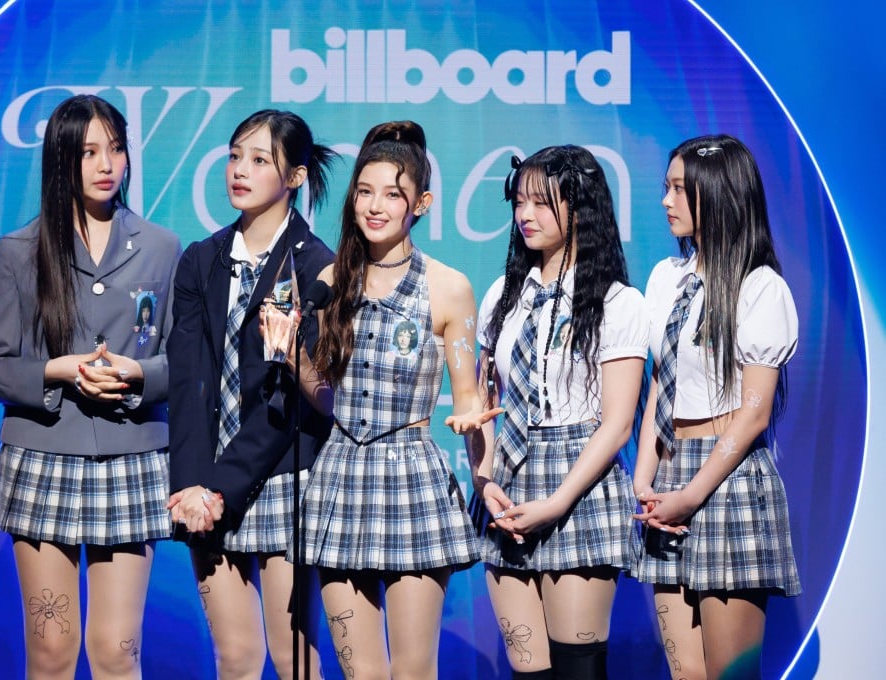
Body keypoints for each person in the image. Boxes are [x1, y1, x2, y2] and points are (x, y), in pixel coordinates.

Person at [0, 94, 181, 679]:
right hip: (42, 460)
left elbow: (185, 366)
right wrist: (57, 371)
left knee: (117, 651)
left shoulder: (163, 248)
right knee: (52, 650)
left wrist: (138, 374)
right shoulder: (19, 251)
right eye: (89, 151)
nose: (106, 164)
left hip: (131, 460)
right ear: (60, 159)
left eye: (115, 149)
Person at [294, 121, 499, 680]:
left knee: (413, 671)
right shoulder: (331, 279)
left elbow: (468, 397)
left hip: (409, 476)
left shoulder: (447, 285)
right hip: (339, 477)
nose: (375, 206)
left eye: (392, 193)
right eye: (364, 191)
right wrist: (291, 354)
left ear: (422, 203)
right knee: (360, 671)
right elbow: (328, 400)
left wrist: (472, 431)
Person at [167, 109, 337, 679]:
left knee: (292, 656)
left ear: (294, 177)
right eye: (235, 155)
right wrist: (191, 484)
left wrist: (219, 486)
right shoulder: (201, 259)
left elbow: (292, 401)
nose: (239, 170)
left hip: (285, 476)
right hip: (207, 486)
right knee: (235, 658)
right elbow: (188, 382)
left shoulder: (317, 268)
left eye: (260, 160)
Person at [470, 146, 647, 679]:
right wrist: (483, 481)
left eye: (541, 203)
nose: (525, 214)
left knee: (577, 670)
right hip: (508, 482)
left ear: (580, 207)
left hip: (579, 483)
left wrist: (557, 501)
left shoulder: (617, 303)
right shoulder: (503, 295)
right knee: (529, 671)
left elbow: (617, 424)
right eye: (519, 201)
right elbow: (481, 404)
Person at [632, 134, 801, 680]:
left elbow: (753, 413)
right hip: (670, 474)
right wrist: (644, 476)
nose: (666, 201)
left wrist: (691, 494)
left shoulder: (759, 286)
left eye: (680, 189)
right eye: (666, 187)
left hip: (726, 479)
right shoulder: (666, 278)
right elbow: (661, 380)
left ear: (720, 194)